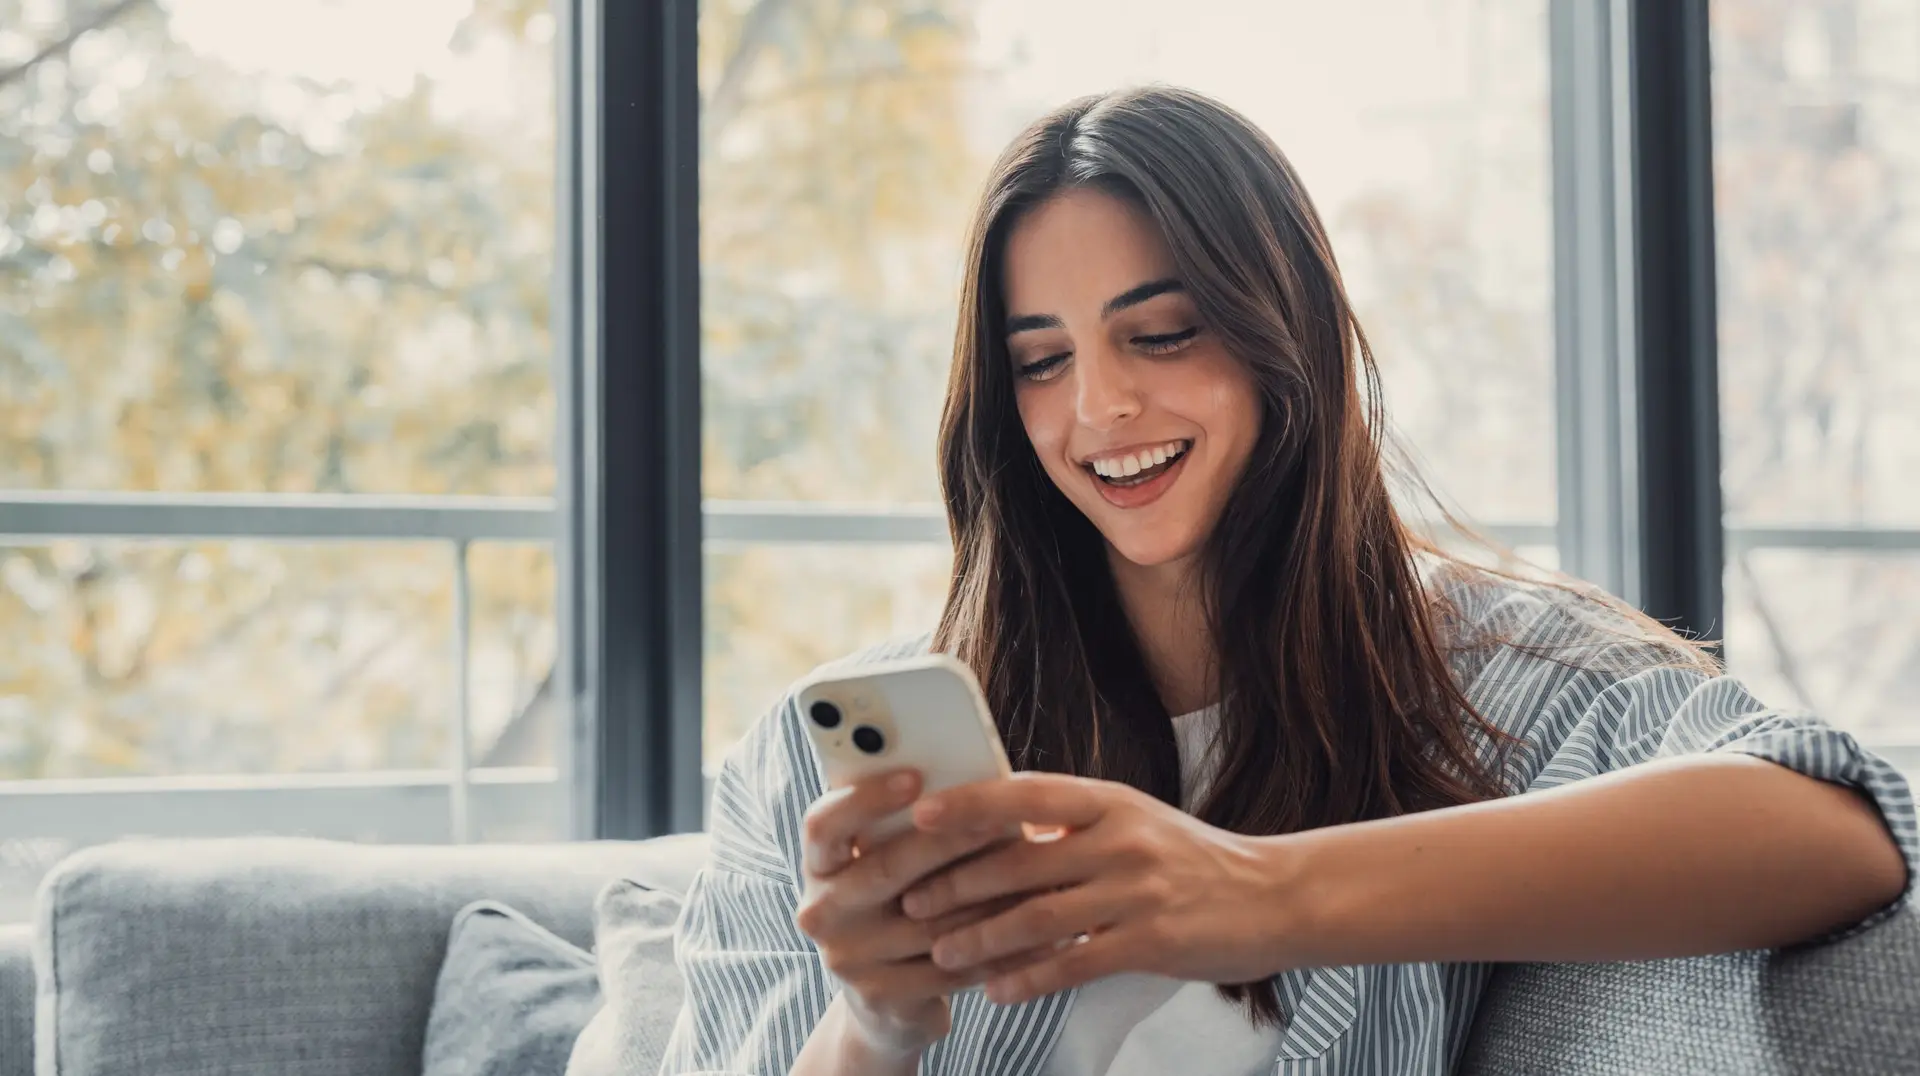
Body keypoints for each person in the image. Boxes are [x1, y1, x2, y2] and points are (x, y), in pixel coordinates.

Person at [658, 86, 1916, 1076]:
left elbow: (1842, 834)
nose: (1099, 408)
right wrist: (878, 1025)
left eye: (1161, 334)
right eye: (1039, 362)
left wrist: (1256, 893)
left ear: (1285, 333)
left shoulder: (1493, 686)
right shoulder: (814, 766)